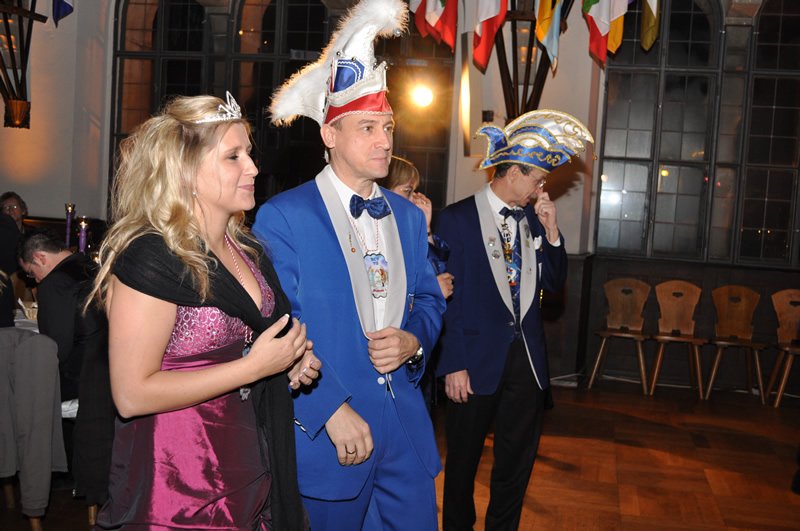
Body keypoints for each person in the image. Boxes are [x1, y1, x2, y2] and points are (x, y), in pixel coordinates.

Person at [88, 92, 319, 530]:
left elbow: (256, 337)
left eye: (248, 153)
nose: (253, 168)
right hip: (177, 477)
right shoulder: (151, 256)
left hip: (247, 459)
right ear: (187, 170)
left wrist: (289, 360)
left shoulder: (247, 250)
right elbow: (131, 395)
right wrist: (254, 367)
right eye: (233, 156)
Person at [253, 1, 445, 528]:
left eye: (388, 126)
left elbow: (430, 301)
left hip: (406, 437)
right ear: (329, 135)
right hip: (332, 438)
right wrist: (328, 409)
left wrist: (413, 342)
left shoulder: (408, 217)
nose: (385, 140)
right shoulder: (284, 218)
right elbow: (277, 325)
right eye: (367, 128)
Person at [435, 109, 594, 530]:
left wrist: (553, 232)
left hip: (527, 365)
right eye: (537, 179)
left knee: (516, 467)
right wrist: (453, 363)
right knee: (462, 467)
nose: (542, 188)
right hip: (473, 364)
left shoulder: (533, 219)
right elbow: (447, 300)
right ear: (513, 172)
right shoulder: (456, 218)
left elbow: (554, 284)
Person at [17, 230, 114, 513]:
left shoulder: (54, 284)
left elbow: (55, 348)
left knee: (20, 388)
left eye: (31, 273)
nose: (34, 280)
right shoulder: (92, 266)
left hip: (83, 379)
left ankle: (46, 473)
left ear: (39, 257)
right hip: (109, 369)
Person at [385, 155, 453, 299]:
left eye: (414, 191)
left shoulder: (405, 229)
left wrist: (426, 227)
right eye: (407, 191)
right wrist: (431, 288)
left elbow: (437, 272)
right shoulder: (380, 233)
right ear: (385, 189)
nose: (413, 199)